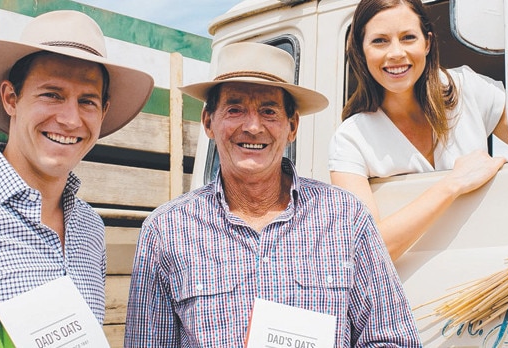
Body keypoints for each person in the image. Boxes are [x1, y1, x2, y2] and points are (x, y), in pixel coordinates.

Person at [124, 42, 421, 347]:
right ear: (208, 123)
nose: (253, 127)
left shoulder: (345, 217)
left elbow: (393, 339)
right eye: (235, 109)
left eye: (268, 111)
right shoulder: (166, 230)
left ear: (292, 126)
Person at [0, 10, 154, 346]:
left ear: (103, 112)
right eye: (52, 94)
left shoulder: (90, 229)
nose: (69, 119)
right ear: (11, 98)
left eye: (87, 101)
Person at [328, 0, 508, 261]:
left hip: (487, 269)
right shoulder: (351, 139)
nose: (396, 53)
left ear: (427, 43)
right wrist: (453, 183)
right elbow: (365, 251)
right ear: (361, 49)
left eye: (408, 37)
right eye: (380, 41)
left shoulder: (469, 90)